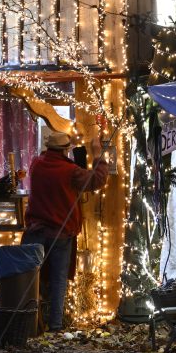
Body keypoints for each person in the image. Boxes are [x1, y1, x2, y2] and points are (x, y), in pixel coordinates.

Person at [21, 130, 111, 332]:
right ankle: (55, 324)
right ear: (65, 150)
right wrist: (98, 155)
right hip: (60, 232)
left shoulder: (36, 164)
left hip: (35, 230)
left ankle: (25, 320)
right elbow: (97, 180)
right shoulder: (70, 171)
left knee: (27, 276)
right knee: (58, 279)